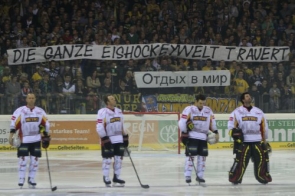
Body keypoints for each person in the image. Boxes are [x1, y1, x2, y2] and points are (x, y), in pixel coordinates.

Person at [227, 92, 272, 184]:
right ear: (243, 100)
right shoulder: (236, 112)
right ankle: (235, 178)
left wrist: (264, 141)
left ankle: (262, 177)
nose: (249, 97)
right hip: (244, 142)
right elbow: (231, 127)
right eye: (247, 96)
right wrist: (236, 136)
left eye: (249, 96)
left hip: (257, 141)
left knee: (261, 160)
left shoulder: (258, 112)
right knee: (240, 162)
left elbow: (264, 128)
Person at [8, 93, 50, 188]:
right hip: (24, 139)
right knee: (23, 160)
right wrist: (11, 135)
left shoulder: (40, 111)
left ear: (35, 99)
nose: (31, 99)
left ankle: (31, 178)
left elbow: (43, 125)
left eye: (32, 98)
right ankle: (21, 178)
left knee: (34, 160)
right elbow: (14, 124)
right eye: (29, 98)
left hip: (36, 139)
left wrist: (45, 136)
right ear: (26, 99)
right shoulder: (20, 111)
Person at [178, 94, 219, 185]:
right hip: (192, 136)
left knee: (202, 157)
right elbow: (182, 122)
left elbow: (212, 122)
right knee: (190, 156)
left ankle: (200, 176)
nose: (202, 105)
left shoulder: (208, 110)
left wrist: (216, 132)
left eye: (203, 103)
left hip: (203, 137)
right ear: (196, 101)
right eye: (200, 103)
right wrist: (184, 132)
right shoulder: (189, 109)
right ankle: (187, 175)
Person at [96, 94, 129, 187]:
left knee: (119, 159)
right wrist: (104, 138)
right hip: (108, 139)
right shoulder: (102, 112)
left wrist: (125, 136)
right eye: (111, 99)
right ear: (107, 102)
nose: (114, 100)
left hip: (119, 139)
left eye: (114, 98)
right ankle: (106, 177)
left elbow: (122, 125)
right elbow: (99, 126)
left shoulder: (119, 111)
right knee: (107, 159)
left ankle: (116, 176)